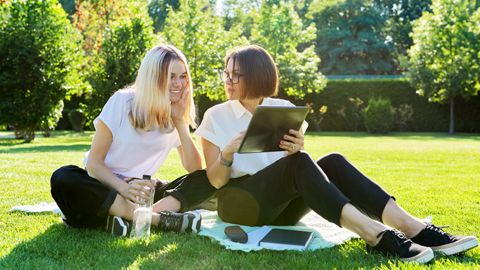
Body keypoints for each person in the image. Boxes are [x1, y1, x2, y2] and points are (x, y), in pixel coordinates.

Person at [194, 45, 478, 263]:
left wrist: (294, 151)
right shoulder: (215, 116)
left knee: (332, 161)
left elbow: (297, 171)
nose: (227, 80)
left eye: (235, 74)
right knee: (300, 163)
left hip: (281, 208)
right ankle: (373, 233)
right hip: (238, 205)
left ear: (256, 76)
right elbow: (216, 181)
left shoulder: (281, 108)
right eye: (226, 72)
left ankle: (410, 225)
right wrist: (228, 153)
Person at [51, 45, 217, 236]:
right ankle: (154, 219)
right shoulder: (122, 102)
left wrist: (180, 122)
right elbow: (94, 163)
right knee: (63, 177)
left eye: (182, 76)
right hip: (104, 190)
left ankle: (127, 219)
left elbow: (194, 168)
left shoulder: (174, 113)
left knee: (207, 177)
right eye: (171, 76)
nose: (178, 83)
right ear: (153, 77)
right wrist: (125, 189)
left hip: (141, 195)